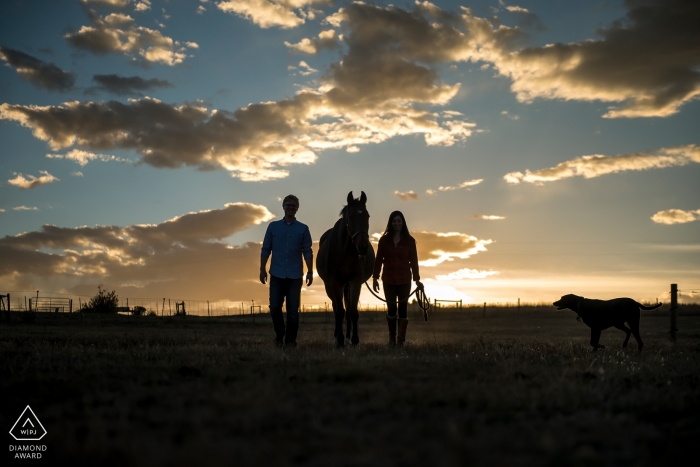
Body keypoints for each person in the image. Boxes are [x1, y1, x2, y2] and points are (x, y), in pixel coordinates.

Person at [260, 195, 313, 347]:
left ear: (297, 208)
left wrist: (310, 271)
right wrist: (262, 269)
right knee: (275, 308)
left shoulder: (303, 229)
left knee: (293, 312)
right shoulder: (273, 227)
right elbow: (265, 249)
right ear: (283, 206)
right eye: (288, 205)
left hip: (295, 276)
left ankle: (290, 342)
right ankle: (280, 333)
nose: (290, 207)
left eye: (294, 205)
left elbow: (307, 251)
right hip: (276, 274)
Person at [372, 211, 423, 345]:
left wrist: (417, 279)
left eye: (399, 221)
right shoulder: (384, 240)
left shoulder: (410, 241)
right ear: (390, 223)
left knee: (402, 309)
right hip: (388, 279)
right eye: (394, 221)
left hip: (405, 279)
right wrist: (375, 277)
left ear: (403, 222)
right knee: (391, 309)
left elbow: (414, 261)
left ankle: (401, 341)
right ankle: (392, 339)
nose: (397, 224)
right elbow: (378, 260)